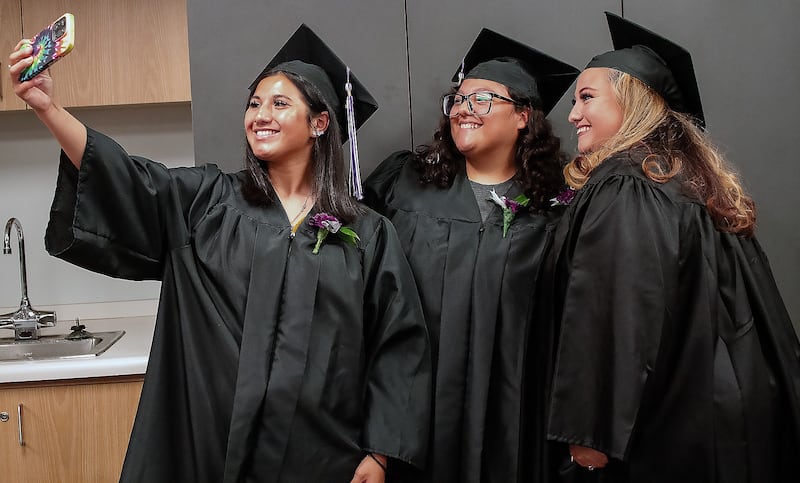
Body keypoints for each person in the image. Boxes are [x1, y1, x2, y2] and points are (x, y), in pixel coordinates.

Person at [8, 24, 431, 483]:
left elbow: (398, 347)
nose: (259, 115)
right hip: (211, 444)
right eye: (254, 104)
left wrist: (380, 453)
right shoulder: (208, 202)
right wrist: (49, 108)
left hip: (321, 454)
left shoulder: (367, 234)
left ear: (320, 122)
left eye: (279, 104)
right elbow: (126, 177)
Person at [545, 12, 800, 482]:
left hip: (668, 427)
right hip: (725, 411)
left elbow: (620, 305)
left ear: (633, 102)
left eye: (586, 97)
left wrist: (592, 430)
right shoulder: (687, 182)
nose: (572, 113)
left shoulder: (627, 185)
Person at [363, 28, 578, 483]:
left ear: (523, 116)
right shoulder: (404, 184)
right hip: (414, 419)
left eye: (483, 99)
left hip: (515, 420)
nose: (464, 107)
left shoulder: (557, 208)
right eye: (458, 99)